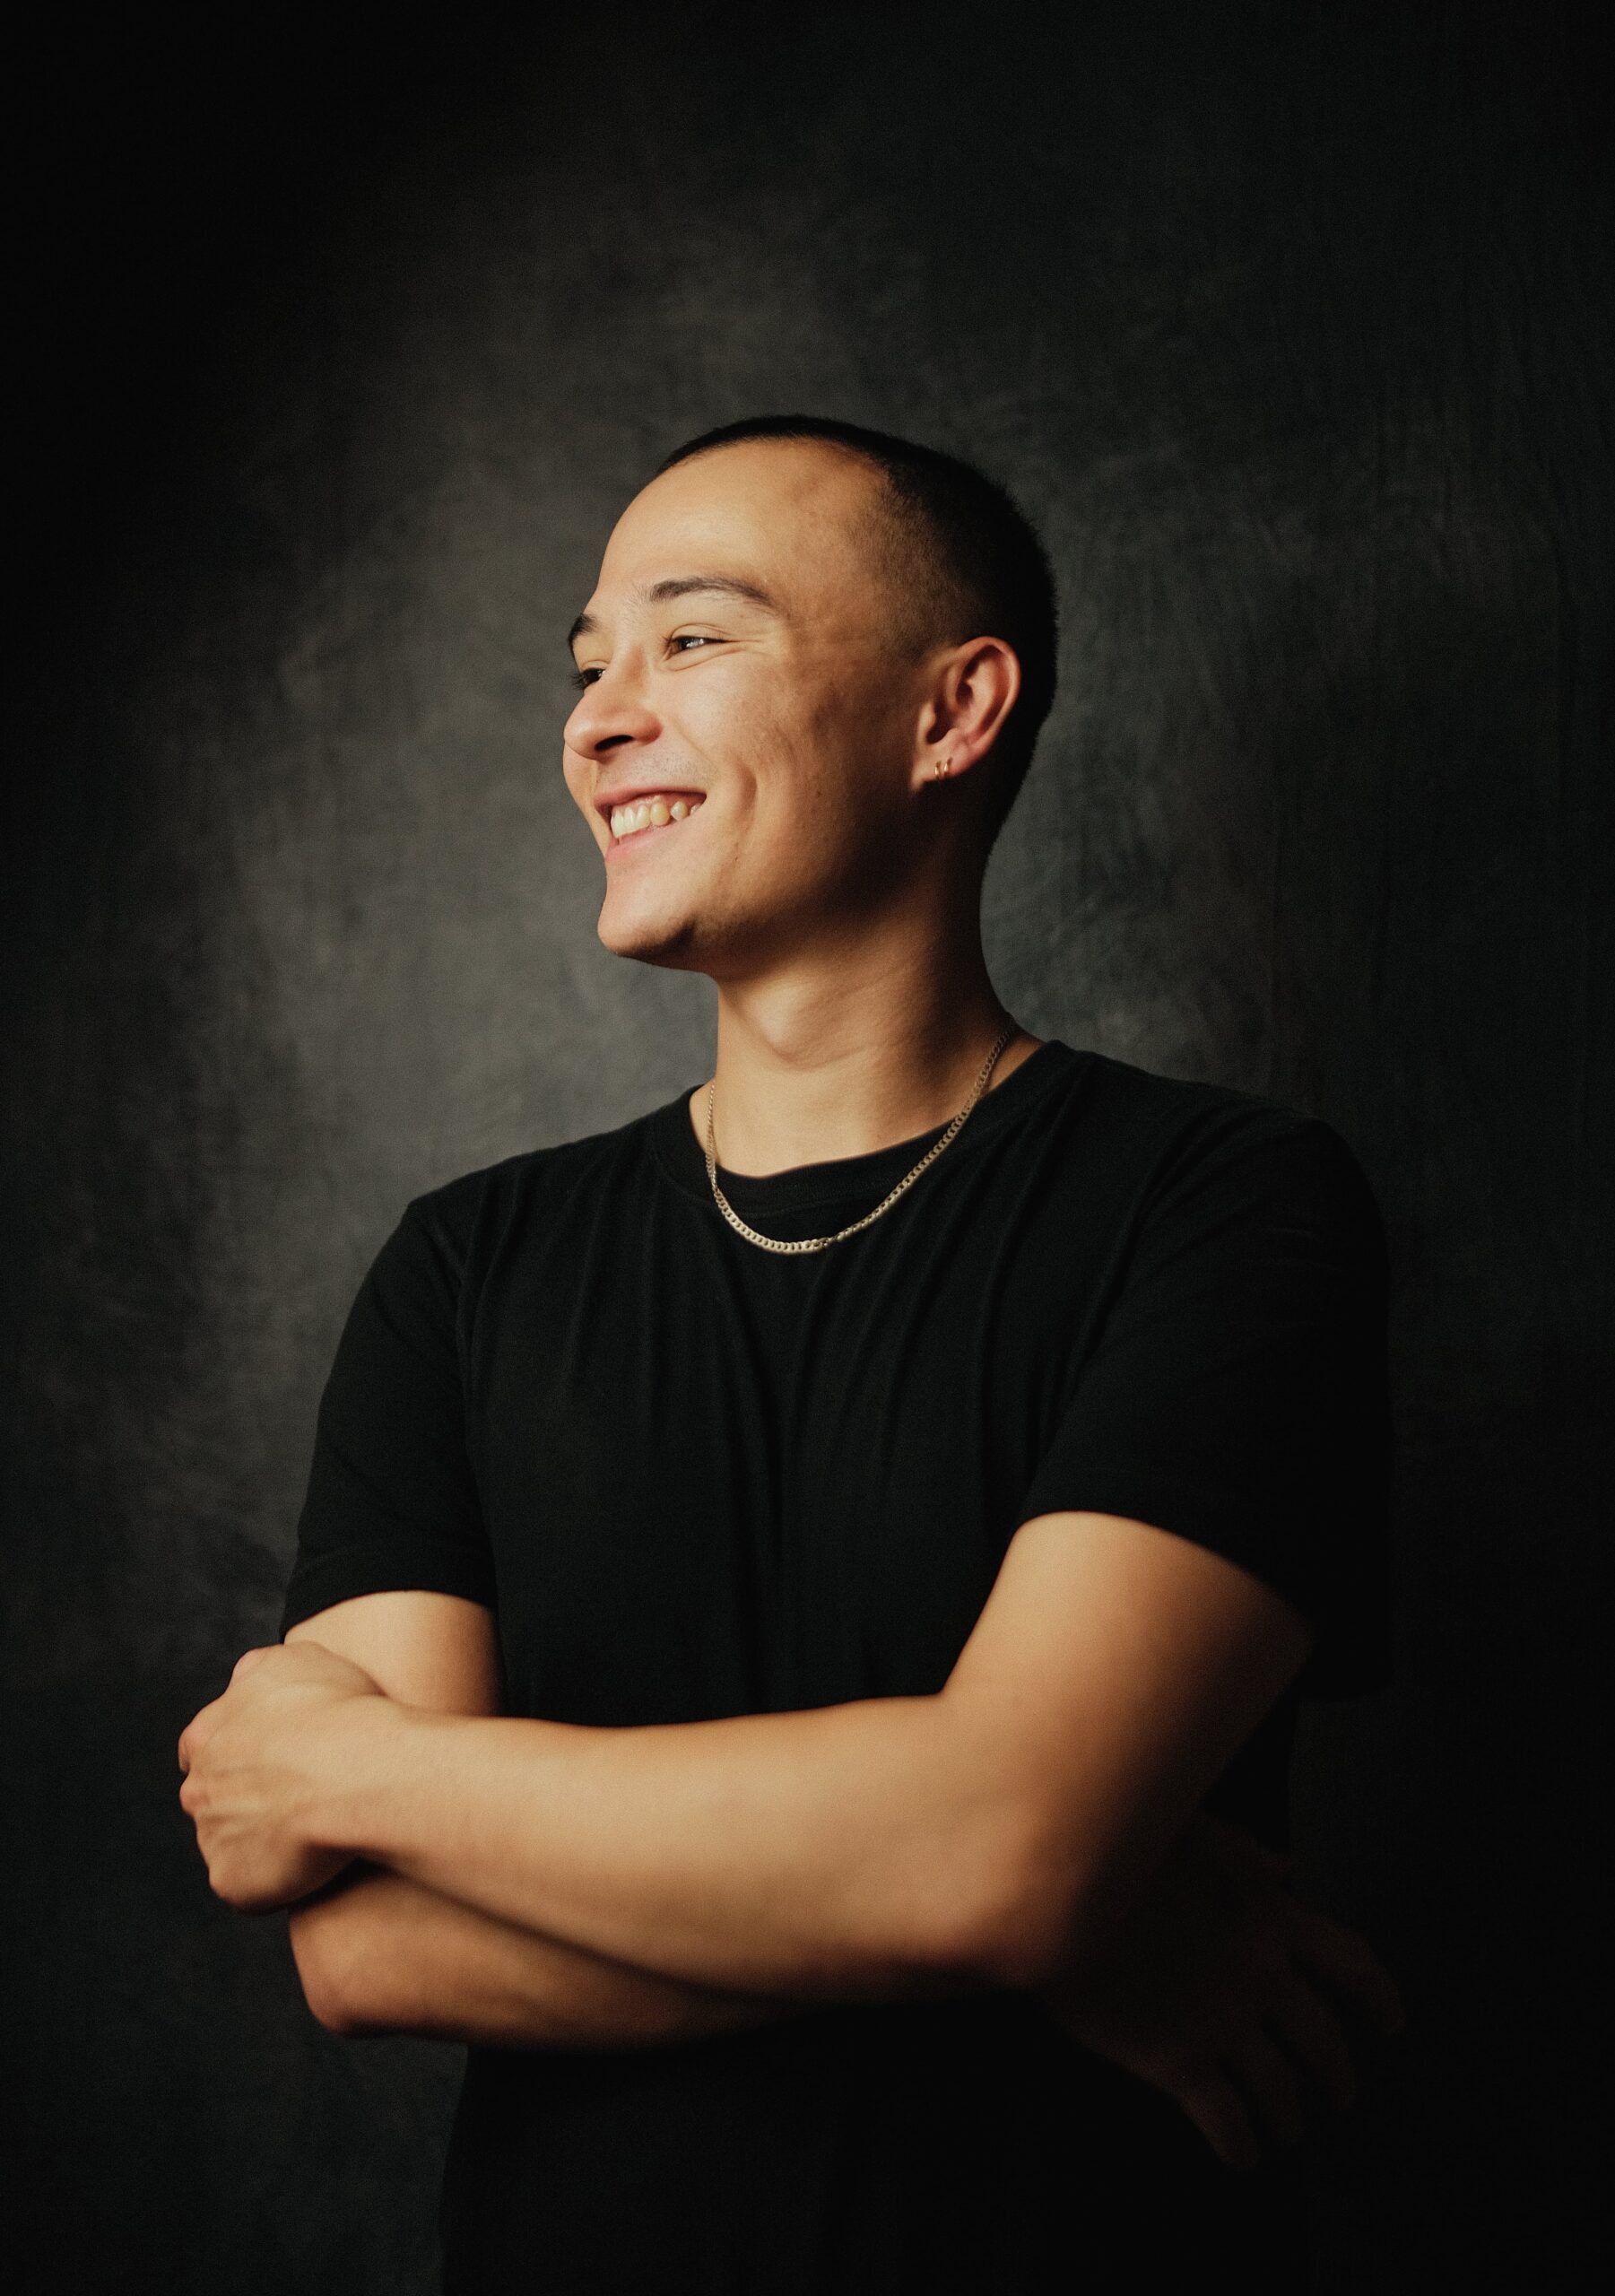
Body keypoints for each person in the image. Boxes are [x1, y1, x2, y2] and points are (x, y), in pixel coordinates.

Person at [177, 414, 1402, 2293]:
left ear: (950, 711)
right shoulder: (466, 1267)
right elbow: (369, 1947)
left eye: (689, 638)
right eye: (587, 662)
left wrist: (347, 1769)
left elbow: (1004, 1848)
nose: (597, 721)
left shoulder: (1224, 1207)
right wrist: (1033, 1923)